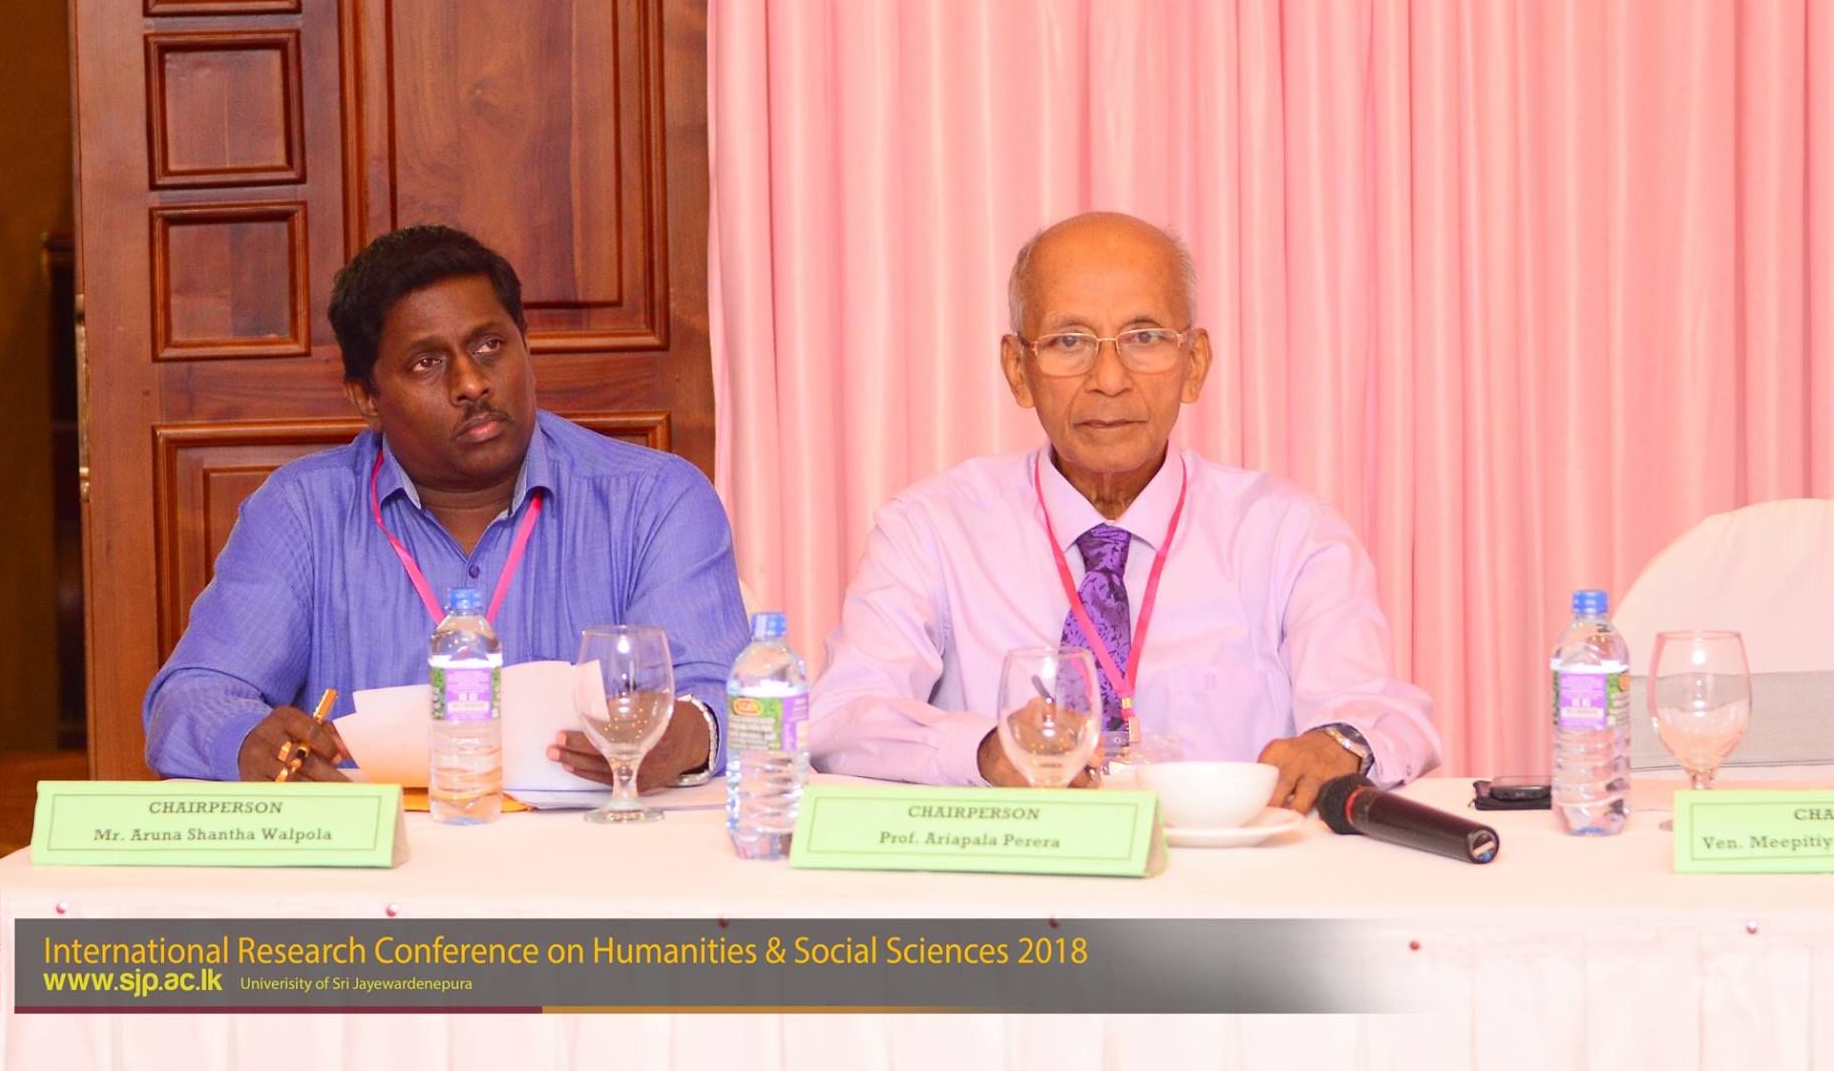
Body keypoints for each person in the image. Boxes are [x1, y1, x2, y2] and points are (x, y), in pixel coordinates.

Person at [809, 213, 1440, 811]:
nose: (1109, 379)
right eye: (1069, 341)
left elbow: (1382, 715)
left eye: (1144, 338)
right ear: (1018, 370)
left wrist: (1341, 744)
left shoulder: (1290, 536)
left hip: (1227, 877)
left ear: (1195, 365)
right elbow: (842, 718)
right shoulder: (930, 531)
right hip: (1013, 875)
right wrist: (983, 751)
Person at [144, 225, 748, 786]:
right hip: (379, 852)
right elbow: (192, 695)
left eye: (489, 345)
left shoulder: (652, 499)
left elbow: (721, 692)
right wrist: (246, 741)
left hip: (593, 847)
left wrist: (687, 735)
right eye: (426, 363)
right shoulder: (302, 514)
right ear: (367, 398)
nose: (471, 383)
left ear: (525, 346)